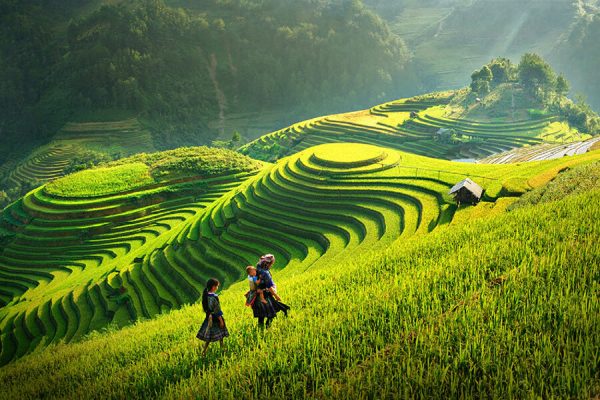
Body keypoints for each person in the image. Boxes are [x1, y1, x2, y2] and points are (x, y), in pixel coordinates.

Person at [251, 254, 290, 329]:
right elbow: (269, 287)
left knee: (261, 314)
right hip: (265, 294)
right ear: (268, 263)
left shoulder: (258, 266)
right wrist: (276, 295)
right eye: (272, 264)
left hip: (257, 293)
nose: (272, 265)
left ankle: (261, 328)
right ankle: (267, 327)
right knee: (271, 313)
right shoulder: (265, 273)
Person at [196, 278, 229, 357]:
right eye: (217, 286)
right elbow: (217, 310)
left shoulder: (206, 295)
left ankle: (204, 351)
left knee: (209, 336)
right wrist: (221, 320)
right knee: (220, 333)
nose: (217, 288)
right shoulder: (214, 297)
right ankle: (220, 347)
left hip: (208, 317)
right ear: (213, 287)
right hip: (215, 317)